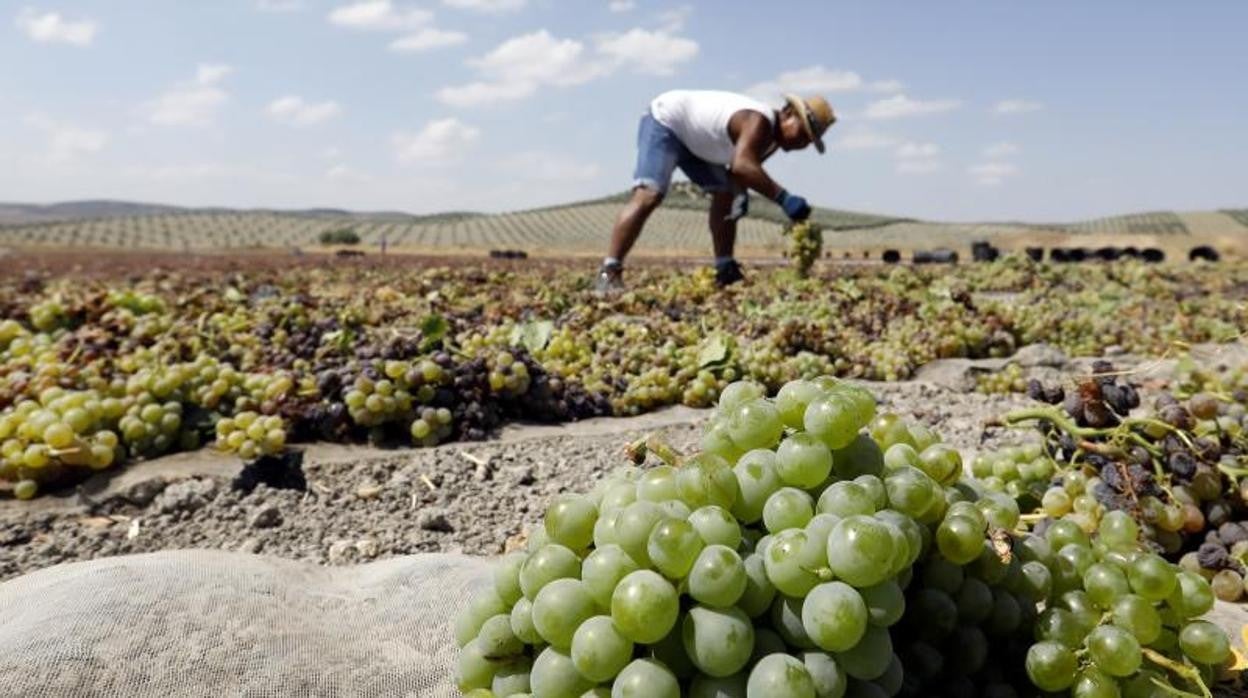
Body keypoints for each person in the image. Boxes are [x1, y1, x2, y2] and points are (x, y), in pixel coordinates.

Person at [597, 90, 835, 292]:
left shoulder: (771, 142)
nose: (803, 144)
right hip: (667, 122)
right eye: (803, 134)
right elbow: (743, 165)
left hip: (696, 146)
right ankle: (609, 272)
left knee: (726, 194)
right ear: (788, 114)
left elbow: (738, 172)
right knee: (650, 193)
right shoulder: (758, 120)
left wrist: (739, 193)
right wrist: (784, 199)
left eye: (809, 141)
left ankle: (725, 268)